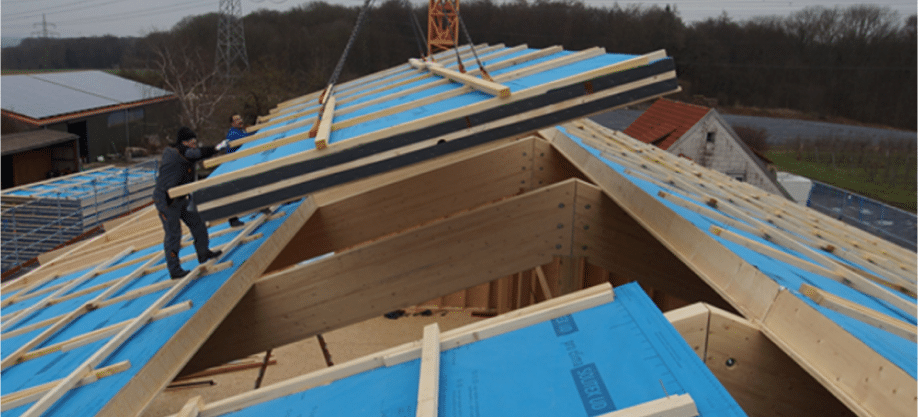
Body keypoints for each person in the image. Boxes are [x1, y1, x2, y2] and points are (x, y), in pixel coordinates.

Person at [153, 127, 230, 279]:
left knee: (198, 223)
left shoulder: (183, 152)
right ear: (185, 142)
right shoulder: (180, 152)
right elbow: (197, 154)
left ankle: (203, 253)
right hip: (166, 200)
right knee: (173, 234)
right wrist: (216, 148)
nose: (195, 145)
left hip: (180, 197)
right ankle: (174, 270)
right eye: (193, 142)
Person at [225, 113, 250, 227]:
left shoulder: (241, 131)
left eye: (240, 118)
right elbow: (246, 139)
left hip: (241, 165)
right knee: (234, 193)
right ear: (232, 123)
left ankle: (264, 206)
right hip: (233, 167)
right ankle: (233, 219)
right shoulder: (233, 134)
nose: (240, 121)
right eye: (236, 120)